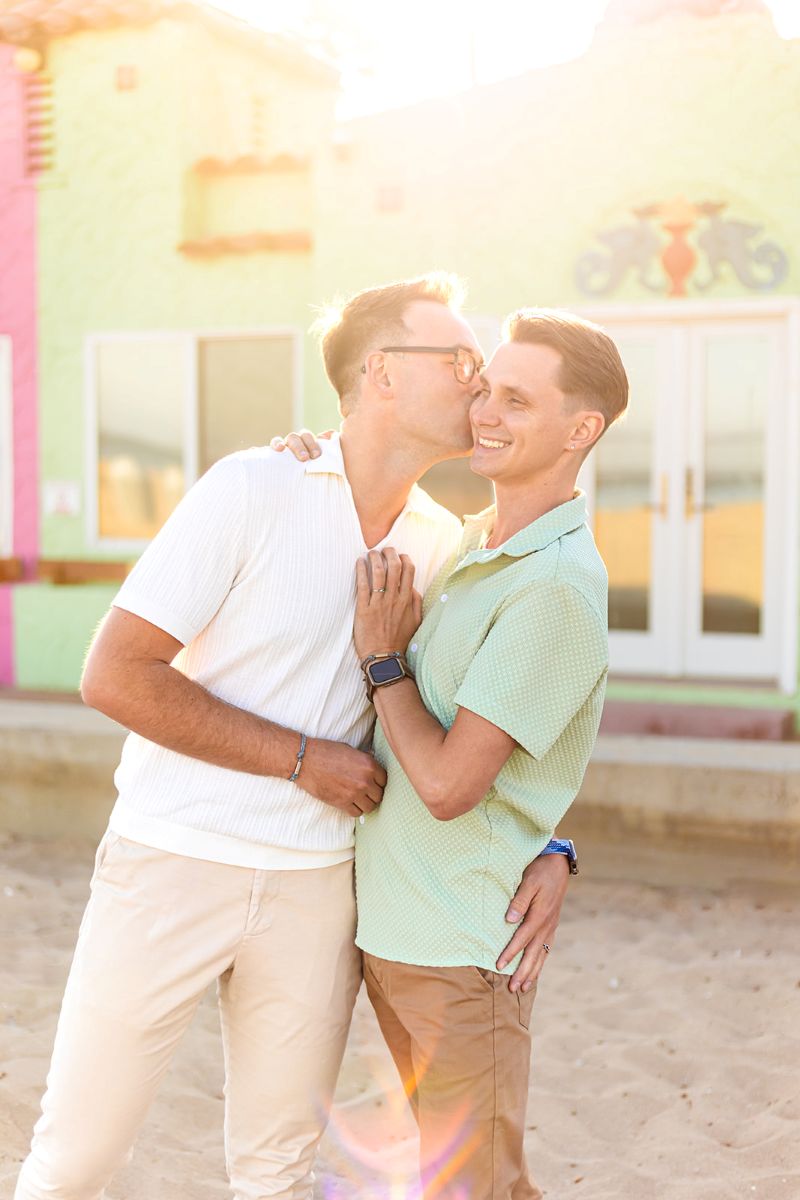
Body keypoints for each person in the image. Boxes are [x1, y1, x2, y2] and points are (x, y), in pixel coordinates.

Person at [14, 274, 571, 1200]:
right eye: (462, 362)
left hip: (321, 889)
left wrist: (553, 843)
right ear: (382, 373)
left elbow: (506, 710)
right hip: (170, 861)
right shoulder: (252, 488)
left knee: (274, 1171)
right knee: (78, 1156)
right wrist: (303, 760)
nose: (479, 386)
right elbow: (114, 674)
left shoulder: (448, 546)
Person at [281, 307, 628, 1198]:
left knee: (479, 1188)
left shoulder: (553, 587)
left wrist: (384, 660)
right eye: (484, 389)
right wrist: (312, 457)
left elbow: (446, 785)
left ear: (580, 429)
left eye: (516, 399)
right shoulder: (478, 543)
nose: (484, 410)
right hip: (397, 936)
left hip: (459, 951)